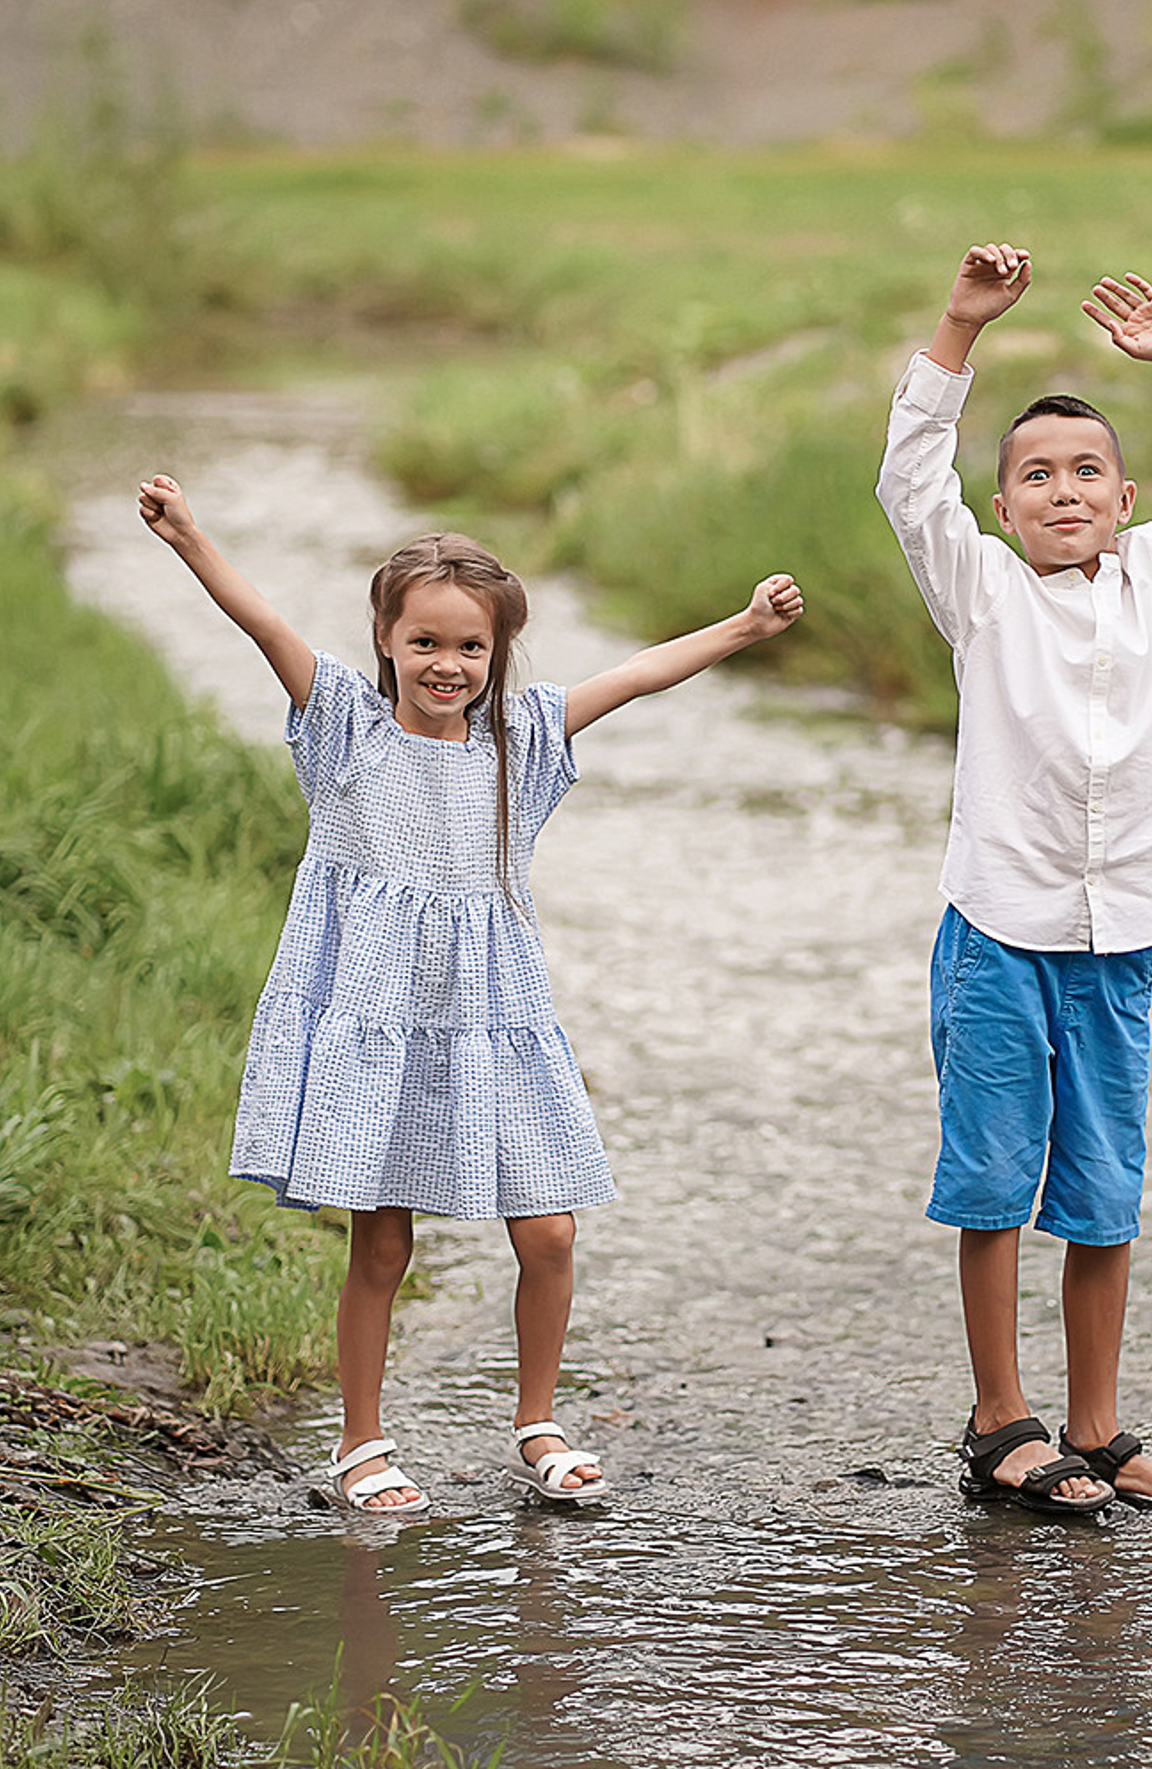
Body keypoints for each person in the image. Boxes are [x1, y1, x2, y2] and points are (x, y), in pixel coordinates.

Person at [139, 476, 803, 1512]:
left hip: (497, 1024)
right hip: (383, 1027)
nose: (447, 666)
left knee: (550, 1232)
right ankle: (360, 1441)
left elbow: (632, 676)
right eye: (426, 644)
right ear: (387, 640)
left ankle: (535, 1420)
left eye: (471, 649)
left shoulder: (520, 743)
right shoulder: (346, 733)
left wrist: (744, 626)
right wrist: (190, 537)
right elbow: (261, 620)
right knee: (385, 1240)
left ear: (496, 657)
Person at [876, 244, 1152, 1514]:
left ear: (1126, 497)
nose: (1062, 490)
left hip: (1127, 931)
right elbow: (910, 486)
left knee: (1106, 1184)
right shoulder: (984, 596)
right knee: (997, 1176)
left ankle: (1099, 1425)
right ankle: (1001, 1418)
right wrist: (959, 327)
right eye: (1035, 477)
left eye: (1085, 473)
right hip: (1001, 924)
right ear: (1003, 510)